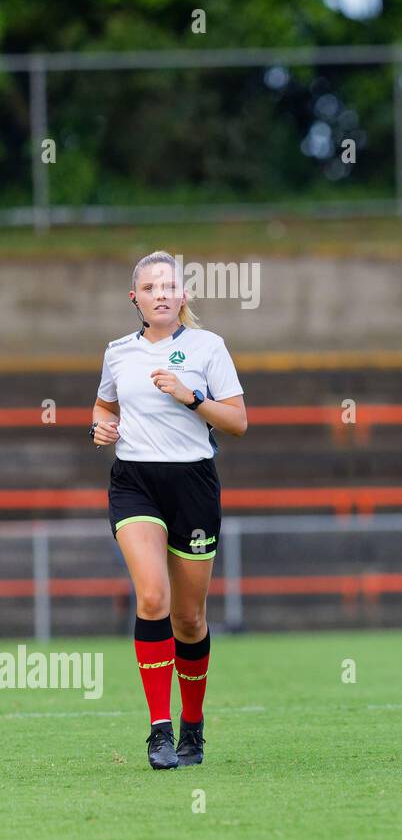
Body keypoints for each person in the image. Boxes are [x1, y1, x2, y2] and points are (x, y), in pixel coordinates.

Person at [92, 251, 248, 769]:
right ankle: (159, 729)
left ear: (184, 296)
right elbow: (105, 405)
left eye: (170, 285)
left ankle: (193, 726)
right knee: (153, 597)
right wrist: (102, 427)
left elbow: (238, 422)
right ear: (134, 298)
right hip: (135, 481)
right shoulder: (118, 352)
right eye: (150, 286)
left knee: (189, 616)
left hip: (193, 483)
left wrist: (191, 396)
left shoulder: (209, 347)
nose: (161, 293)